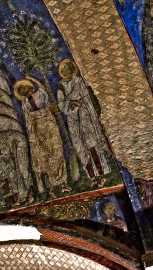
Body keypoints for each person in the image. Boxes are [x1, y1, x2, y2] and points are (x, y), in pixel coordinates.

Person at [14, 76, 71, 198]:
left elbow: (43, 87)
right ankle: (52, 187)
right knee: (46, 157)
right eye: (21, 91)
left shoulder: (39, 93)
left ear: (29, 86)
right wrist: (32, 136)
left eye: (24, 87)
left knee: (57, 152)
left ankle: (63, 183)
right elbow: (28, 120)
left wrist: (30, 77)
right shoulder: (24, 103)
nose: (23, 90)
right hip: (39, 131)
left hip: (50, 126)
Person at [57, 59, 110, 187]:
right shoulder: (60, 86)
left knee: (91, 143)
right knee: (79, 145)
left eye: (68, 69)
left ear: (72, 69)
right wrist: (71, 103)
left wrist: (81, 104)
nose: (66, 72)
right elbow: (61, 104)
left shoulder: (79, 81)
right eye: (64, 70)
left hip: (85, 115)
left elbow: (86, 97)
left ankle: (101, 174)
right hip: (72, 118)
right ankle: (92, 176)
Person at [0, 129, 32, 205]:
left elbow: (5, 153)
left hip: (19, 143)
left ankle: (28, 195)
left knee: (21, 169)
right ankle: (19, 197)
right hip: (12, 150)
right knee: (10, 171)